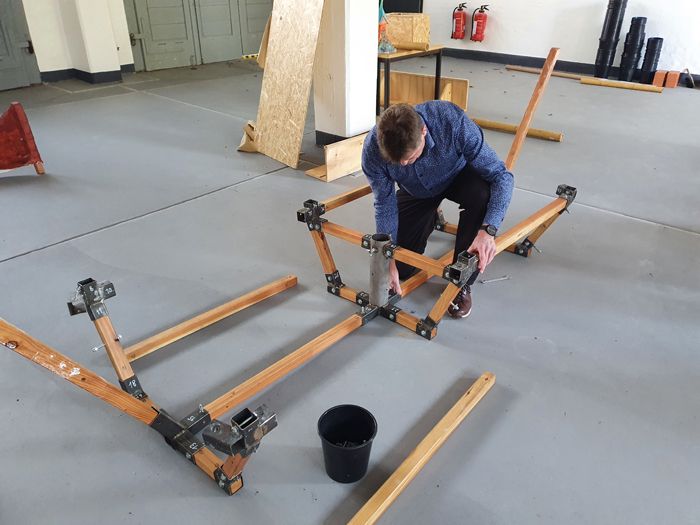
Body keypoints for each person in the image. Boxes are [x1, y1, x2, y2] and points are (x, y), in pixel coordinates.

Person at [361, 101, 514, 319]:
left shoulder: (452, 122)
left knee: (483, 194)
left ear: (424, 131)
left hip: (459, 176)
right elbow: (385, 205)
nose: (403, 164)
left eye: (409, 157)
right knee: (402, 268)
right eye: (398, 161)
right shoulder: (372, 149)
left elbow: (501, 176)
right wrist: (388, 258)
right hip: (416, 191)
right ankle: (429, 217)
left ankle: (462, 283)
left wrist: (488, 230)